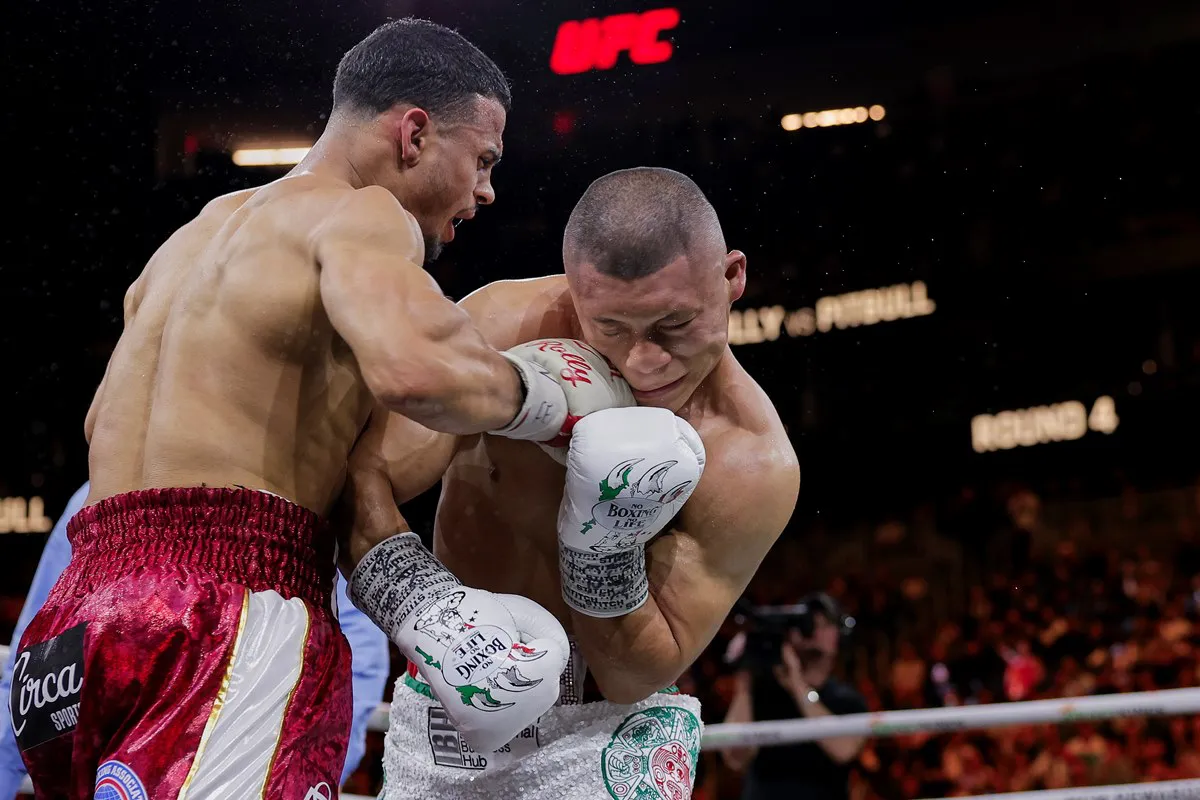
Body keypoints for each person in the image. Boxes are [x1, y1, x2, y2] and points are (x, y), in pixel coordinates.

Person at [10, 19, 595, 797]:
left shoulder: (190, 240)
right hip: (225, 609)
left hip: (73, 625)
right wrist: (555, 403)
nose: (487, 191)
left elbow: (351, 459)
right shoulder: (360, 215)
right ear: (414, 133)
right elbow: (417, 370)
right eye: (482, 160)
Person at [338, 166, 802, 799]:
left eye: (673, 325)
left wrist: (603, 541)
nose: (643, 362)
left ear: (733, 278)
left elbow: (631, 674)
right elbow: (364, 475)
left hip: (615, 732)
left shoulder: (750, 462)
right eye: (610, 329)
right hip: (454, 698)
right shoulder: (503, 326)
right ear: (575, 294)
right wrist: (423, 605)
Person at [0, 482, 391, 799]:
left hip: (87, 581)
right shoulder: (300, 481)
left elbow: (33, 649)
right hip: (234, 557)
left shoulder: (94, 478)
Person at [722, 593, 868, 800]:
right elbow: (735, 758)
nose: (813, 629)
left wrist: (797, 686)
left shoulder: (848, 700)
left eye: (824, 623)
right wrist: (745, 681)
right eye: (808, 623)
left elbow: (844, 750)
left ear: (839, 635)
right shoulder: (763, 694)